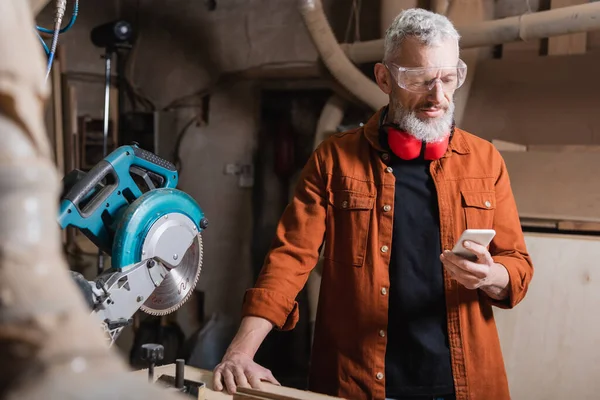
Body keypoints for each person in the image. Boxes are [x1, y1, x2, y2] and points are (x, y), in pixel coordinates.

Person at [213, 8, 533, 400]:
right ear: (384, 78)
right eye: (419, 79)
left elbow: (516, 265)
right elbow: (289, 259)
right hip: (358, 381)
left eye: (448, 79)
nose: (438, 97)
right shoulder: (333, 160)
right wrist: (240, 351)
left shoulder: (486, 161)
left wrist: (491, 276)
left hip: (463, 383)